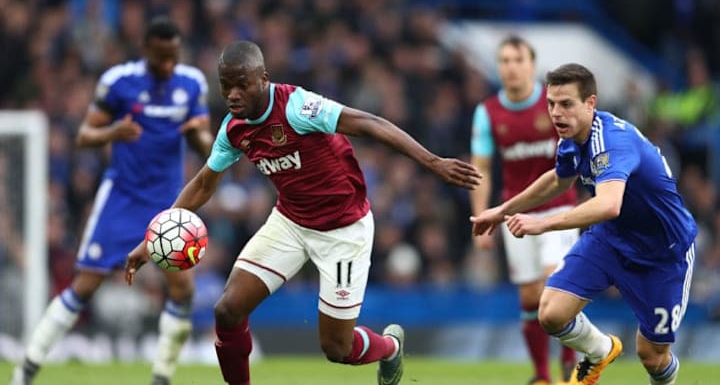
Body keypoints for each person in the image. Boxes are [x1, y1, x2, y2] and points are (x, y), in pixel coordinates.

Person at [125, 40, 481, 385]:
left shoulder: (298, 107)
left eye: (242, 85)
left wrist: (433, 162)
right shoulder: (234, 130)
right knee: (227, 310)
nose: (233, 94)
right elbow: (204, 184)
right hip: (291, 223)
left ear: (263, 79)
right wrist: (152, 238)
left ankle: (390, 348)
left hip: (344, 230)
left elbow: (370, 124)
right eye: (225, 86)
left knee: (336, 347)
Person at [11, 17, 215, 385]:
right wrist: (112, 132)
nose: (168, 65)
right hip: (122, 198)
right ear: (146, 50)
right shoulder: (119, 82)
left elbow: (207, 144)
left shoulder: (192, 83)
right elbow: (85, 135)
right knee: (85, 285)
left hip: (169, 205)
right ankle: (25, 370)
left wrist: (197, 135)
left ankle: (162, 377)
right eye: (161, 58)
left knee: (183, 289)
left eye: (174, 56)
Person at [471, 63, 697, 385]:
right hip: (611, 241)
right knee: (550, 313)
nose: (556, 113)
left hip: (664, 254)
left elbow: (609, 204)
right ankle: (601, 349)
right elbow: (558, 181)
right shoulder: (572, 138)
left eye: (566, 104)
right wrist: (501, 210)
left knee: (651, 355)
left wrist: (544, 223)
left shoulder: (612, 141)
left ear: (591, 103)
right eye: (550, 104)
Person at [470, 35, 577, 385]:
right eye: (504, 60)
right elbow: (482, 167)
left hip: (558, 210)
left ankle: (570, 363)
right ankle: (543, 376)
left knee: (554, 288)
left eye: (517, 60)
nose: (511, 67)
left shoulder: (553, 104)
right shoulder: (487, 113)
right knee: (530, 295)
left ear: (532, 65)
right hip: (514, 212)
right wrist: (481, 215)